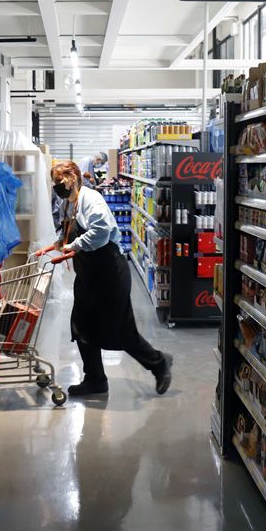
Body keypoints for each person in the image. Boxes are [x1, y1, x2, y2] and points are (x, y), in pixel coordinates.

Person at [36, 160, 173, 397]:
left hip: (109, 275)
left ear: (73, 179)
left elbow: (99, 232)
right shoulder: (70, 203)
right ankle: (95, 379)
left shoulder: (91, 200)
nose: (57, 187)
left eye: (60, 183)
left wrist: (74, 246)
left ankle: (159, 363)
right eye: (55, 183)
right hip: (88, 276)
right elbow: (70, 230)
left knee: (120, 331)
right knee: (81, 326)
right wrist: (55, 245)